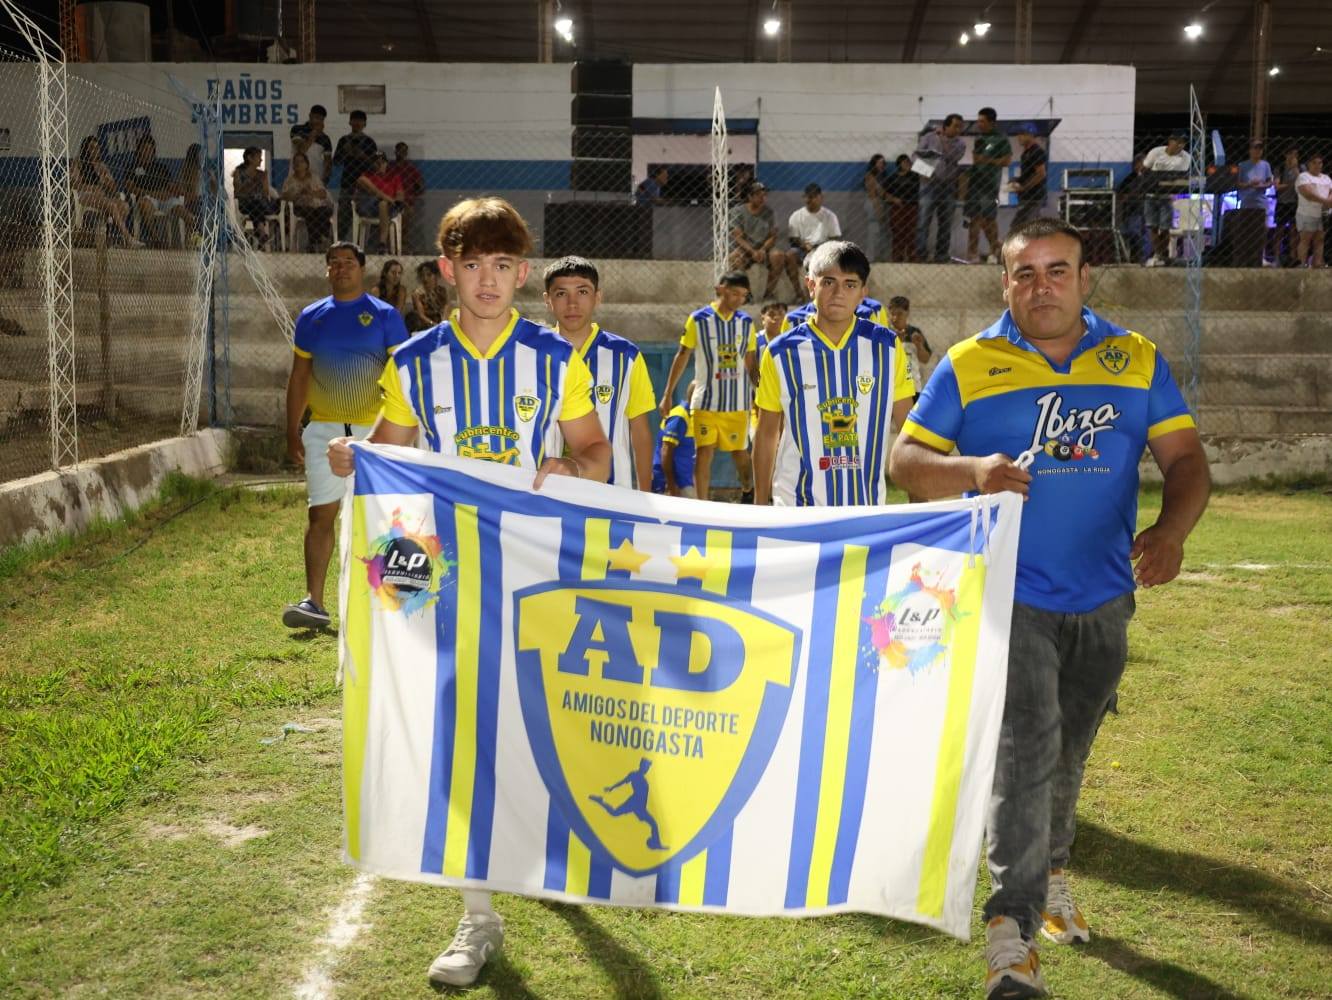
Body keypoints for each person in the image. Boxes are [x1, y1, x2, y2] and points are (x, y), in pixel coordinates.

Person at [888, 216, 1210, 1000]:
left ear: (1085, 277)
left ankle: (1053, 869)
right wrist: (972, 470)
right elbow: (905, 460)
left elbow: (1185, 459)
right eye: (1024, 273)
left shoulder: (1134, 359)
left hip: (1105, 597)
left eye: (1057, 270)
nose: (1041, 287)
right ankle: (1011, 932)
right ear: (1004, 283)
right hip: (1009, 594)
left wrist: (1170, 530)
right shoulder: (969, 363)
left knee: (1068, 752)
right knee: (1026, 751)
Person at [327, 197, 611, 990]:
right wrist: (355, 457)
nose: (487, 280)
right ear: (448, 271)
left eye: (502, 265)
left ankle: (548, 850)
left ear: (522, 273)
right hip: (444, 578)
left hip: (533, 574)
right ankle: (477, 914)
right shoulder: (413, 362)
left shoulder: (555, 359)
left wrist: (571, 467)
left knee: (538, 726)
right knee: (456, 731)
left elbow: (596, 453)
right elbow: (390, 462)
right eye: (473, 264)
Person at [282, 240, 410, 630]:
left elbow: (404, 375)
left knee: (383, 517)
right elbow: (299, 376)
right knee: (320, 514)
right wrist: (292, 429)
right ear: (327, 270)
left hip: (376, 432)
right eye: (333, 262)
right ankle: (314, 602)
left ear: (362, 268)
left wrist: (404, 429)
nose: (340, 268)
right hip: (323, 429)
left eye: (348, 262)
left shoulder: (385, 316)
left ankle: (387, 603)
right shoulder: (311, 317)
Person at [752, 241, 912, 508]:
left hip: (865, 507)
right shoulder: (780, 352)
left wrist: (919, 501)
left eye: (850, 284)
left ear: (863, 292)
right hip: (797, 506)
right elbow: (767, 433)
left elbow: (908, 428)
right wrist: (759, 504)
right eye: (828, 282)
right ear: (810, 285)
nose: (838, 293)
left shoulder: (887, 346)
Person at [543, 255, 657, 490]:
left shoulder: (626, 355)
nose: (572, 303)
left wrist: (645, 493)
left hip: (613, 493)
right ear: (548, 300)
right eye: (561, 293)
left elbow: (640, 431)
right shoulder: (534, 354)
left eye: (582, 292)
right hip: (550, 492)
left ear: (597, 297)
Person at [657, 270, 759, 502]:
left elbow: (751, 362)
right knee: (703, 452)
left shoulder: (745, 323)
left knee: (740, 454)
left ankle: (747, 490)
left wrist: (760, 394)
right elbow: (682, 355)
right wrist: (667, 394)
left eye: (743, 295)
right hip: (705, 401)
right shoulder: (698, 320)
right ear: (720, 289)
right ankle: (702, 505)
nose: (739, 299)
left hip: (737, 403)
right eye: (735, 293)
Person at [71, 135, 141, 247]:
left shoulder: (101, 166)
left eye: (97, 148)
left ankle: (109, 237)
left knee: (124, 206)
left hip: (101, 197)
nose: (95, 150)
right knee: (111, 205)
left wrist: (107, 182)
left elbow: (113, 187)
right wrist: (92, 188)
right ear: (85, 149)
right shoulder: (78, 162)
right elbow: (74, 184)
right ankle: (128, 238)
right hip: (85, 195)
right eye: (92, 147)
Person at [915, 113, 967, 262]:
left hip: (947, 185)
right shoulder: (929, 138)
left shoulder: (960, 144)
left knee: (945, 223)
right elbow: (915, 156)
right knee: (923, 221)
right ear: (946, 125)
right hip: (928, 184)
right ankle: (921, 255)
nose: (958, 130)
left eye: (960, 127)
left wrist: (942, 139)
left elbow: (952, 156)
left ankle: (941, 255)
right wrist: (924, 171)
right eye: (955, 126)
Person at [965, 108, 1012, 263]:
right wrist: (987, 160)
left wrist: (988, 161)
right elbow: (976, 159)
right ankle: (972, 252)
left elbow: (1006, 160)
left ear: (992, 122)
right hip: (975, 183)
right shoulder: (979, 138)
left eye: (982, 121)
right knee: (974, 218)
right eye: (978, 121)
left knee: (988, 219)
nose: (979, 124)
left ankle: (995, 249)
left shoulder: (1001, 139)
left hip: (990, 184)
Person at [729, 181, 791, 300]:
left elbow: (773, 236)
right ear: (750, 196)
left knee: (778, 256)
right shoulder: (738, 212)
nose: (763, 198)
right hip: (746, 249)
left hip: (764, 249)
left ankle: (768, 294)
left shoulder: (769, 213)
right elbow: (738, 237)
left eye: (764, 195)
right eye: (758, 195)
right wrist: (752, 251)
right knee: (735, 257)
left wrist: (762, 250)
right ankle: (747, 293)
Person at [125, 134, 185, 244]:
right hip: (148, 199)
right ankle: (157, 239)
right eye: (145, 149)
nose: (147, 152)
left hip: (164, 198)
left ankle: (197, 231)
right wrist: (154, 194)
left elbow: (170, 186)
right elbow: (130, 188)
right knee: (144, 203)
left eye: (150, 149)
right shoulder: (132, 167)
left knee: (180, 207)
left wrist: (176, 189)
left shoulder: (161, 167)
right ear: (139, 150)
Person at [1141, 134, 1191, 266]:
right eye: (1178, 142)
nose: (1180, 145)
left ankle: (1160, 254)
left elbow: (1178, 175)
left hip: (1167, 196)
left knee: (1165, 228)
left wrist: (1162, 178)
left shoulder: (1185, 157)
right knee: (1152, 226)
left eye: (1183, 143)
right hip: (1151, 193)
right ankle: (1158, 254)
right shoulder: (1156, 152)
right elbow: (1145, 168)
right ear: (1170, 141)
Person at [787, 183, 842, 299]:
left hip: (823, 249)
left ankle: (819, 294)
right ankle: (798, 293)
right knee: (790, 255)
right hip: (802, 249)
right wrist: (803, 245)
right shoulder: (796, 216)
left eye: (813, 197)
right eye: (807, 197)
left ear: (821, 197)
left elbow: (835, 238)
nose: (810, 200)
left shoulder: (830, 216)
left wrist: (819, 248)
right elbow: (792, 239)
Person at [332, 110, 378, 239]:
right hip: (347, 182)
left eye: (360, 121)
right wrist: (345, 152)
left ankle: (361, 242)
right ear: (350, 122)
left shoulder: (369, 142)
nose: (357, 123)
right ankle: (341, 241)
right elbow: (336, 162)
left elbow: (375, 166)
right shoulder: (344, 140)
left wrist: (362, 156)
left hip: (365, 186)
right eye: (355, 120)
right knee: (343, 214)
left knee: (364, 214)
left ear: (364, 124)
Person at [281, 150, 336, 252]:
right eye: (296, 162)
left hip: (317, 205)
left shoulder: (314, 177)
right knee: (310, 212)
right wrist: (298, 193)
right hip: (300, 206)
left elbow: (323, 193)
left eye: (301, 161)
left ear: (307, 164)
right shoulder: (290, 180)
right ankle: (318, 241)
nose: (298, 164)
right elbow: (284, 196)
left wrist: (311, 192)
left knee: (323, 211)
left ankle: (317, 240)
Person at [652, 381, 697, 497]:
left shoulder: (694, 416)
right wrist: (672, 486)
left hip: (685, 482)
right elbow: (666, 452)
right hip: (672, 485)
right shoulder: (679, 417)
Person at [355, 151, 405, 252]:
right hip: (370, 207)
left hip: (389, 208)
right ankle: (380, 244)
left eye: (382, 162)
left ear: (386, 163)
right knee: (381, 200)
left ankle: (382, 243)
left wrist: (398, 201)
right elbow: (370, 188)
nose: (379, 165)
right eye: (376, 162)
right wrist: (389, 199)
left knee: (383, 204)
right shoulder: (366, 176)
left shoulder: (394, 176)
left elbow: (400, 194)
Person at [886, 295, 932, 401]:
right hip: (890, 386)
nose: (895, 318)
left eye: (899, 314)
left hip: (913, 386)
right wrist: (896, 342)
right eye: (892, 314)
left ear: (907, 313)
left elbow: (925, 359)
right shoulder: (885, 332)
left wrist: (919, 346)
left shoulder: (914, 333)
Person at [232, 147, 279, 249]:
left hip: (261, 203)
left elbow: (266, 193)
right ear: (250, 158)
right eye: (259, 157)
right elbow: (238, 191)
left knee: (258, 204)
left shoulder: (261, 174)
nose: (261, 160)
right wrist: (251, 184)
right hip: (245, 204)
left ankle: (260, 232)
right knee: (255, 204)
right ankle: (261, 232)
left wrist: (264, 180)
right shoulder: (238, 172)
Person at [1008, 124, 1048, 231]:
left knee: (1019, 226)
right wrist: (1017, 180)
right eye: (1018, 134)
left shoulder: (1036, 151)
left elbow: (1041, 174)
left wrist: (1024, 187)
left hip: (1033, 197)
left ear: (1031, 135)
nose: (1019, 137)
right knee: (1030, 226)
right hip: (1027, 196)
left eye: (1022, 134)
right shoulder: (1026, 153)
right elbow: (1029, 174)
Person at [387, 142, 426, 252]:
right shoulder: (390, 167)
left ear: (406, 153)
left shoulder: (411, 168)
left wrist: (415, 192)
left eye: (404, 151)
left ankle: (403, 243)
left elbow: (421, 186)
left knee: (406, 215)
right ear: (395, 152)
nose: (402, 153)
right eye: (399, 150)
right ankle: (391, 244)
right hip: (391, 199)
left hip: (407, 201)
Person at [1295, 153, 1332, 268]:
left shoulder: (1326, 178)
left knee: (1320, 239)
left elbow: (1331, 192)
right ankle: (1302, 264)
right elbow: (1307, 193)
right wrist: (1325, 201)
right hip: (1307, 213)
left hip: (1323, 214)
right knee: (1306, 239)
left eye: (1320, 163)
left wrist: (1328, 201)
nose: (1317, 165)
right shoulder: (1303, 177)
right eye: (1314, 163)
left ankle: (1317, 263)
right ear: (1309, 164)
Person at [884, 154, 919, 262]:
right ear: (899, 164)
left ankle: (911, 255)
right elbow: (886, 193)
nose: (907, 164)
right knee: (898, 232)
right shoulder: (893, 178)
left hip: (911, 207)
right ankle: (897, 256)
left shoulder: (914, 176)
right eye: (904, 162)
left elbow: (926, 179)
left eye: (908, 162)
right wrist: (894, 199)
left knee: (911, 232)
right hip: (897, 207)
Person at [1116, 154, 1151, 264]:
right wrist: (1130, 196)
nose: (1141, 165)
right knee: (1134, 233)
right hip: (1133, 211)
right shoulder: (1130, 178)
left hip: (1146, 210)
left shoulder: (1150, 177)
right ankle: (1135, 257)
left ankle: (1145, 258)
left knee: (1145, 235)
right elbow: (1121, 194)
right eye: (1139, 163)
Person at [1271, 147, 1301, 266]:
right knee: (1279, 231)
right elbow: (1277, 187)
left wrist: (1295, 169)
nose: (1293, 157)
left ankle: (1293, 257)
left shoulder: (1300, 168)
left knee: (1294, 232)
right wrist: (1291, 184)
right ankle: (1277, 258)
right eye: (1291, 154)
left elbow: (1302, 182)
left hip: (1295, 203)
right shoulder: (1280, 168)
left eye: (1295, 154)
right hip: (1282, 203)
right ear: (1286, 155)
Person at [290, 104, 333, 186]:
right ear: (310, 116)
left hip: (316, 178)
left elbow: (328, 162)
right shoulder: (297, 129)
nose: (318, 121)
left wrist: (324, 181)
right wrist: (314, 134)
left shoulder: (325, 138)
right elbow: (301, 151)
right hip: (297, 177)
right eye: (316, 117)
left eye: (321, 119)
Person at [863, 153, 893, 263]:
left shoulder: (883, 176)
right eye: (879, 163)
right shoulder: (870, 175)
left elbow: (883, 193)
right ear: (874, 164)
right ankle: (870, 258)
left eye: (883, 163)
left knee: (882, 231)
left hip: (881, 202)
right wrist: (878, 208)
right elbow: (873, 195)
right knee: (874, 229)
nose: (882, 165)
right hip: (874, 203)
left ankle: (880, 256)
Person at [408, 258, 449, 332]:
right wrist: (433, 324)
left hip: (440, 323)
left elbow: (445, 309)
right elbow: (421, 315)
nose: (425, 278)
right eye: (422, 275)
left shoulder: (441, 291)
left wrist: (442, 323)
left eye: (429, 275)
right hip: (425, 324)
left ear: (436, 276)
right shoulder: (417, 294)